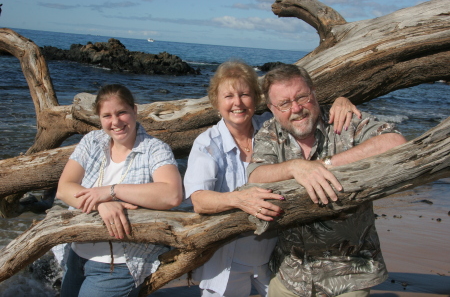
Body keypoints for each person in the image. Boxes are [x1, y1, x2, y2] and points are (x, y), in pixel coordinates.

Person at [183, 61, 360, 297]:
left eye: (245, 94)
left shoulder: (270, 127)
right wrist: (239, 199)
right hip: (228, 259)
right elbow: (199, 201)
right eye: (228, 96)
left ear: (256, 99)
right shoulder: (207, 143)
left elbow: (300, 109)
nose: (237, 103)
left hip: (275, 256)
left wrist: (341, 101)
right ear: (216, 101)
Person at [247, 64, 407, 297]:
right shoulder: (269, 133)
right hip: (291, 274)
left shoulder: (343, 121)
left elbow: (395, 142)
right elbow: (255, 175)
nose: (296, 108)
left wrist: (325, 165)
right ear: (272, 108)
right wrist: (295, 167)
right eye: (284, 103)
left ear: (314, 92)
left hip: (349, 272)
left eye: (302, 97)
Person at [56, 84, 183, 297]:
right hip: (77, 255)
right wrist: (100, 203)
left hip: (118, 264)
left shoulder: (155, 149)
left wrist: (111, 191)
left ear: (134, 110)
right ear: (99, 118)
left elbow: (172, 195)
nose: (115, 122)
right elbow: (64, 188)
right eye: (107, 115)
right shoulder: (92, 141)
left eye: (122, 112)